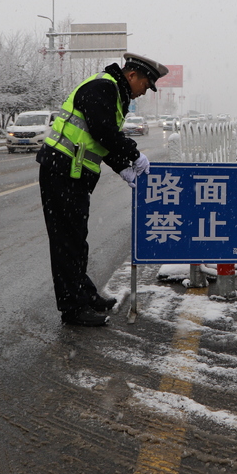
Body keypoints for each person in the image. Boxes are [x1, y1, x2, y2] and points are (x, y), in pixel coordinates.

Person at [38, 52, 169, 326]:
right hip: (61, 170)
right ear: (131, 75)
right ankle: (72, 309)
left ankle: (83, 294)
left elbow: (101, 140)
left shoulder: (114, 93)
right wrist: (134, 155)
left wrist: (122, 166)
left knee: (76, 239)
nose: (144, 92)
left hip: (72, 173)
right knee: (67, 242)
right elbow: (102, 130)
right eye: (145, 85)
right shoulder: (103, 86)